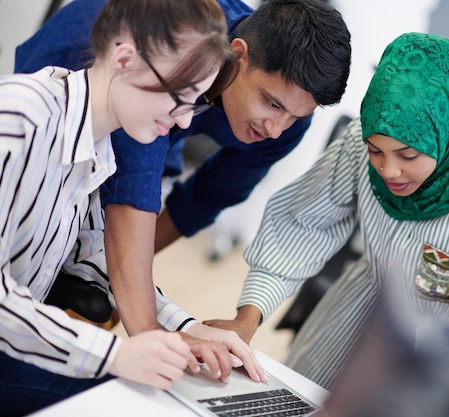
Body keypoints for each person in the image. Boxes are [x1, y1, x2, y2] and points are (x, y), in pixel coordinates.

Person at [204, 32, 449, 389]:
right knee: (295, 401)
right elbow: (302, 226)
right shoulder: (359, 138)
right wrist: (247, 318)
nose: (388, 171)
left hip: (439, 356)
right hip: (357, 308)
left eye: (408, 156)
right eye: (376, 151)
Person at [14, 0, 352, 338]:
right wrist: (140, 313)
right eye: (272, 103)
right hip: (69, 93)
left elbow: (206, 197)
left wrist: (122, 283)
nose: (277, 128)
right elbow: (134, 187)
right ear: (238, 54)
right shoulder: (174, 57)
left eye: (296, 115)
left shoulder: (281, 120)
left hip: (147, 130)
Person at [0, 0, 265, 414]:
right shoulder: (19, 119)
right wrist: (113, 354)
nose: (182, 123)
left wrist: (187, 329)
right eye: (181, 97)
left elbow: (88, 253)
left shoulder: (98, 146)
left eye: (196, 103)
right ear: (125, 58)